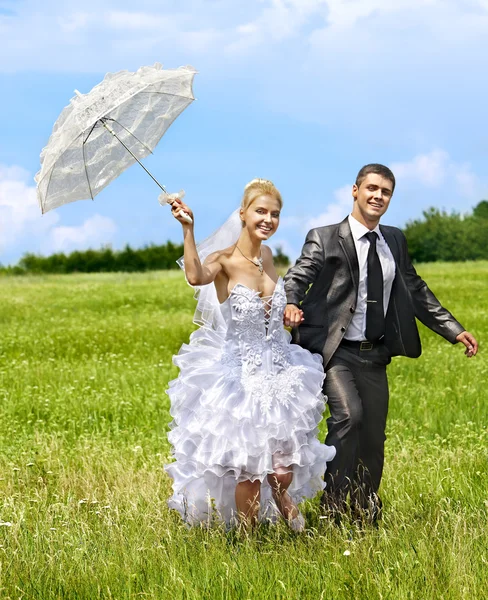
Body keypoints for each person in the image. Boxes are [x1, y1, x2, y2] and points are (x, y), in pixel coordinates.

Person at [283, 164, 478, 524]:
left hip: (375, 355)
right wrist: (291, 301)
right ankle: (335, 510)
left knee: (373, 437)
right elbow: (300, 273)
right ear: (355, 191)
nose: (378, 196)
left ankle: (365, 511)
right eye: (371, 188)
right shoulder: (325, 237)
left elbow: (416, 289)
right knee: (349, 418)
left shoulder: (395, 240)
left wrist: (453, 329)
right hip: (336, 352)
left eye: (386, 191)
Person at [165, 179, 336, 530]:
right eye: (261, 211)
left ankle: (283, 499)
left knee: (282, 471)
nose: (268, 219)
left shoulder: (269, 257)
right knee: (248, 469)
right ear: (242, 214)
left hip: (280, 372)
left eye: (275, 214)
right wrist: (188, 229)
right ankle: (248, 541)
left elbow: (274, 309)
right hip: (241, 377)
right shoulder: (224, 260)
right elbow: (196, 276)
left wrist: (289, 312)